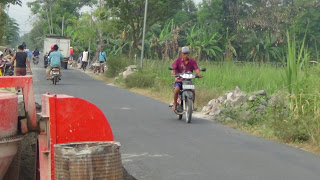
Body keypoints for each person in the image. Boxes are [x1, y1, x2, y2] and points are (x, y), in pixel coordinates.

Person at [171, 46, 202, 111]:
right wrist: (174, 73)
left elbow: (196, 69)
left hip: (188, 81)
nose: (186, 55)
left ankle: (192, 105)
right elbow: (173, 69)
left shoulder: (192, 61)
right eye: (184, 53)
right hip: (179, 80)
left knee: (193, 90)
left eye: (187, 53)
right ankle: (175, 104)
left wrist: (198, 74)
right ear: (181, 54)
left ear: (189, 54)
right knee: (176, 90)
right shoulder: (178, 61)